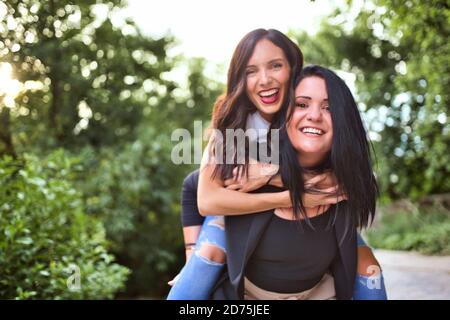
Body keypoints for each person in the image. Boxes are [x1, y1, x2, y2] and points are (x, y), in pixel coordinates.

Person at [167, 29, 385, 299]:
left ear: (293, 70)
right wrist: (284, 194)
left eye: (275, 66)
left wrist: (271, 175)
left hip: (303, 220)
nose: (265, 79)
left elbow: (345, 179)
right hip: (229, 209)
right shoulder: (233, 127)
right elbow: (199, 192)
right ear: (240, 79)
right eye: (250, 71)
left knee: (369, 266)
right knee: (206, 254)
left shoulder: (302, 114)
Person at [210, 65, 386, 299]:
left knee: (370, 268)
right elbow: (196, 187)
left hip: (318, 292)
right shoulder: (251, 166)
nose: (314, 115)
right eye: (302, 104)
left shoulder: (345, 182)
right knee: (206, 254)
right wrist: (192, 249)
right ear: (284, 114)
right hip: (246, 297)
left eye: (329, 107)